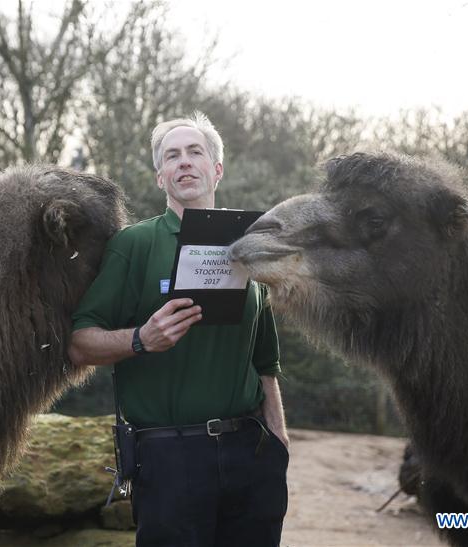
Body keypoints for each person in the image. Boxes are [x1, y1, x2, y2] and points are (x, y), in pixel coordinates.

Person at [69, 112, 289, 547]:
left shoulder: (248, 245)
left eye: (195, 152)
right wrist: (140, 339)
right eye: (172, 156)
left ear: (217, 169)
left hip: (251, 452)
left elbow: (265, 361)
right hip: (169, 456)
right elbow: (79, 343)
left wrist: (278, 441)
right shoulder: (134, 244)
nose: (184, 162)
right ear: (160, 177)